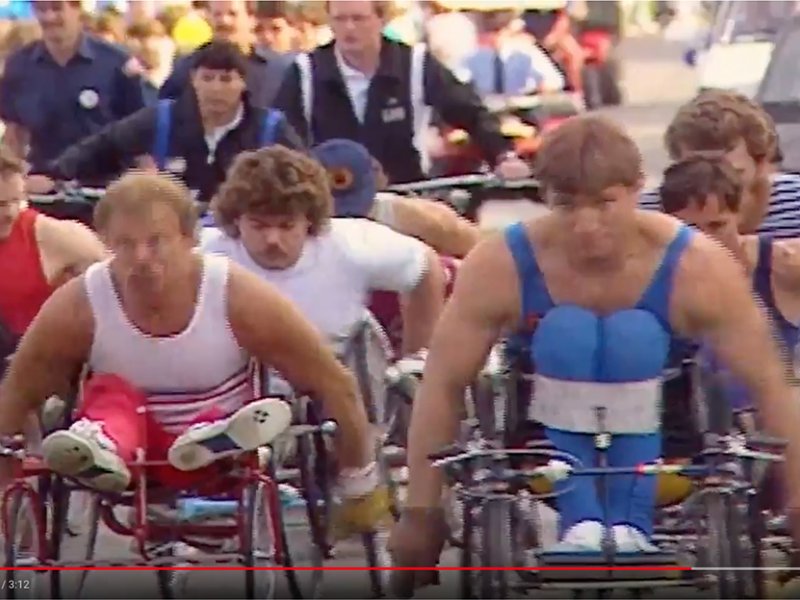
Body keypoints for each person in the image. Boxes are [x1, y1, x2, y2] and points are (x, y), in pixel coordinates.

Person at [388, 115, 800, 593]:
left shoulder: (695, 264)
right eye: (567, 206)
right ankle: (583, 520)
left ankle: (628, 520)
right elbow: (443, 382)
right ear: (543, 197)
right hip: (544, 432)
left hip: (669, 425)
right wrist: (422, 512)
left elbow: (771, 382)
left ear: (635, 190)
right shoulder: (500, 263)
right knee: (567, 329)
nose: (586, 226)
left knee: (634, 331)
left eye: (605, 204)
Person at [0, 170, 391, 538]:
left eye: (155, 242)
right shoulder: (80, 302)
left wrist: (360, 478)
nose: (140, 258)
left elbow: (331, 381)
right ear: (104, 243)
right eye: (124, 245)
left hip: (221, 441)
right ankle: (100, 446)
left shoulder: (235, 293)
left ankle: (209, 438)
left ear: (190, 238)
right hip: (130, 446)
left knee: (222, 424)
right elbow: (19, 390)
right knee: (113, 397)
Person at [201, 144, 446, 362]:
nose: (272, 239)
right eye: (259, 225)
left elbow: (427, 268)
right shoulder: (204, 256)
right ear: (235, 219)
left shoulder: (352, 246)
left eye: (286, 226)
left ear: (310, 221)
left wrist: (417, 361)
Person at [272, 0, 531, 185]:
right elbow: (280, 138)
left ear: (381, 19)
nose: (349, 28)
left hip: (407, 193)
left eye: (358, 18)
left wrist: (503, 155)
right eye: (340, 19)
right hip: (333, 204)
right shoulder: (305, 70)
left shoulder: (416, 63)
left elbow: (472, 113)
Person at [31, 40, 304, 208]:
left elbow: (305, 177)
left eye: (226, 79)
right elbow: (102, 145)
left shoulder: (271, 128)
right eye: (207, 79)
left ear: (243, 82)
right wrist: (53, 174)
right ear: (193, 79)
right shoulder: (161, 119)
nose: (216, 89)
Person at [661, 156, 800, 431]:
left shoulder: (783, 265)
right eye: (690, 230)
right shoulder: (652, 279)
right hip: (695, 439)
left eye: (716, 226)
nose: (704, 242)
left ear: (739, 215)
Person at [0, 0, 146, 173]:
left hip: (102, 185)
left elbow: (138, 133)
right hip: (41, 185)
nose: (49, 17)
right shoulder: (19, 64)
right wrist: (19, 179)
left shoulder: (116, 63)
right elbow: (14, 136)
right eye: (41, 9)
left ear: (77, 8)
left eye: (57, 8)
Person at [640, 90, 800, 239]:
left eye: (733, 174)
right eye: (697, 173)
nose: (714, 187)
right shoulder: (645, 215)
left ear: (761, 163)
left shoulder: (795, 203)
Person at [0, 147, 106, 362]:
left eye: (16, 201)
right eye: (0, 205)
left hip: (30, 369)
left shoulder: (54, 236)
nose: (10, 213)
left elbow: (120, 282)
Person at [160, 0, 292, 109]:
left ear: (251, 19)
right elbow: (165, 114)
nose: (224, 21)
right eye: (217, 14)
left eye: (232, 14)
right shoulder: (187, 67)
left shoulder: (276, 70)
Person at [465, 8, 565, 96]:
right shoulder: (471, 51)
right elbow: (459, 82)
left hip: (520, 105)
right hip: (483, 107)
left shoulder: (523, 48)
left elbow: (554, 81)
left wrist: (535, 91)